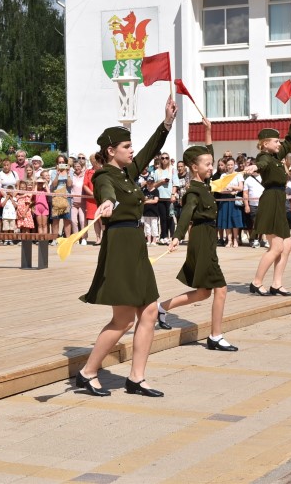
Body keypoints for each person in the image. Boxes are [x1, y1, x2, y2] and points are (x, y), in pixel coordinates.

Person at [77, 96, 176, 398]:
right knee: (123, 319)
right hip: (119, 245)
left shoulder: (128, 172)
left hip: (136, 243)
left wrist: (166, 123)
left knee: (148, 312)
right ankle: (88, 372)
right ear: (111, 151)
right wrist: (107, 201)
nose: (132, 150)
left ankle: (136, 378)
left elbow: (149, 150)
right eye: (126, 146)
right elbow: (105, 190)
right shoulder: (104, 176)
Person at [157, 118, 238, 351]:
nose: (212, 167)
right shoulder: (193, 190)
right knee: (220, 288)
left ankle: (160, 308)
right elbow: (186, 214)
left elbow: (209, 152)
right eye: (207, 164)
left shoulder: (205, 183)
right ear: (195, 167)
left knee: (203, 293)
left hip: (207, 237)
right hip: (201, 238)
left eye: (212, 164)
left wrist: (208, 131)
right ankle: (215, 336)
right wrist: (176, 236)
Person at [247, 106, 291, 297]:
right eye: (276, 141)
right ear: (265, 143)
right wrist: (255, 167)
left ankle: (277, 284)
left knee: (287, 245)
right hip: (270, 200)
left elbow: (290, 140)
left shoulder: (276, 156)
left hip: (279, 200)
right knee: (276, 247)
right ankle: (256, 282)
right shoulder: (264, 157)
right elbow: (262, 164)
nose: (279, 143)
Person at [216, 157, 244, 248]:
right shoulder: (223, 175)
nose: (230, 166)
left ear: (234, 165)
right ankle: (229, 240)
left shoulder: (238, 175)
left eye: (231, 165)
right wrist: (228, 191)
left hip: (234, 200)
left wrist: (232, 187)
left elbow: (241, 187)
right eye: (228, 165)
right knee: (226, 220)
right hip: (225, 199)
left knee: (235, 220)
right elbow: (220, 189)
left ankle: (235, 239)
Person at [83, 153, 103, 245]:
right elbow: (85, 185)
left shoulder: (104, 171)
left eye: (95, 161)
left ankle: (105, 238)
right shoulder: (88, 172)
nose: (93, 163)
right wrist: (92, 194)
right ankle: (98, 238)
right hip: (91, 199)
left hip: (102, 198)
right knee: (95, 220)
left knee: (102, 219)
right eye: (92, 161)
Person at [141, 176, 160, 245]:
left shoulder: (156, 191)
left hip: (154, 211)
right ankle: (148, 240)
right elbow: (143, 199)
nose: (149, 184)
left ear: (153, 183)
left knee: (154, 225)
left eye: (151, 183)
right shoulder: (145, 191)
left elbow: (155, 200)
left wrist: (146, 201)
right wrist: (145, 201)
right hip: (146, 211)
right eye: (148, 183)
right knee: (147, 226)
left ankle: (154, 240)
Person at [33, 170, 50, 236]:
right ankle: (40, 239)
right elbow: (34, 193)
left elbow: (49, 193)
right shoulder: (35, 190)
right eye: (39, 183)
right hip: (37, 208)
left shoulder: (44, 190)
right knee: (39, 225)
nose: (40, 184)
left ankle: (44, 239)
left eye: (41, 183)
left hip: (45, 208)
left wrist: (45, 184)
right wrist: (36, 184)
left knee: (44, 224)